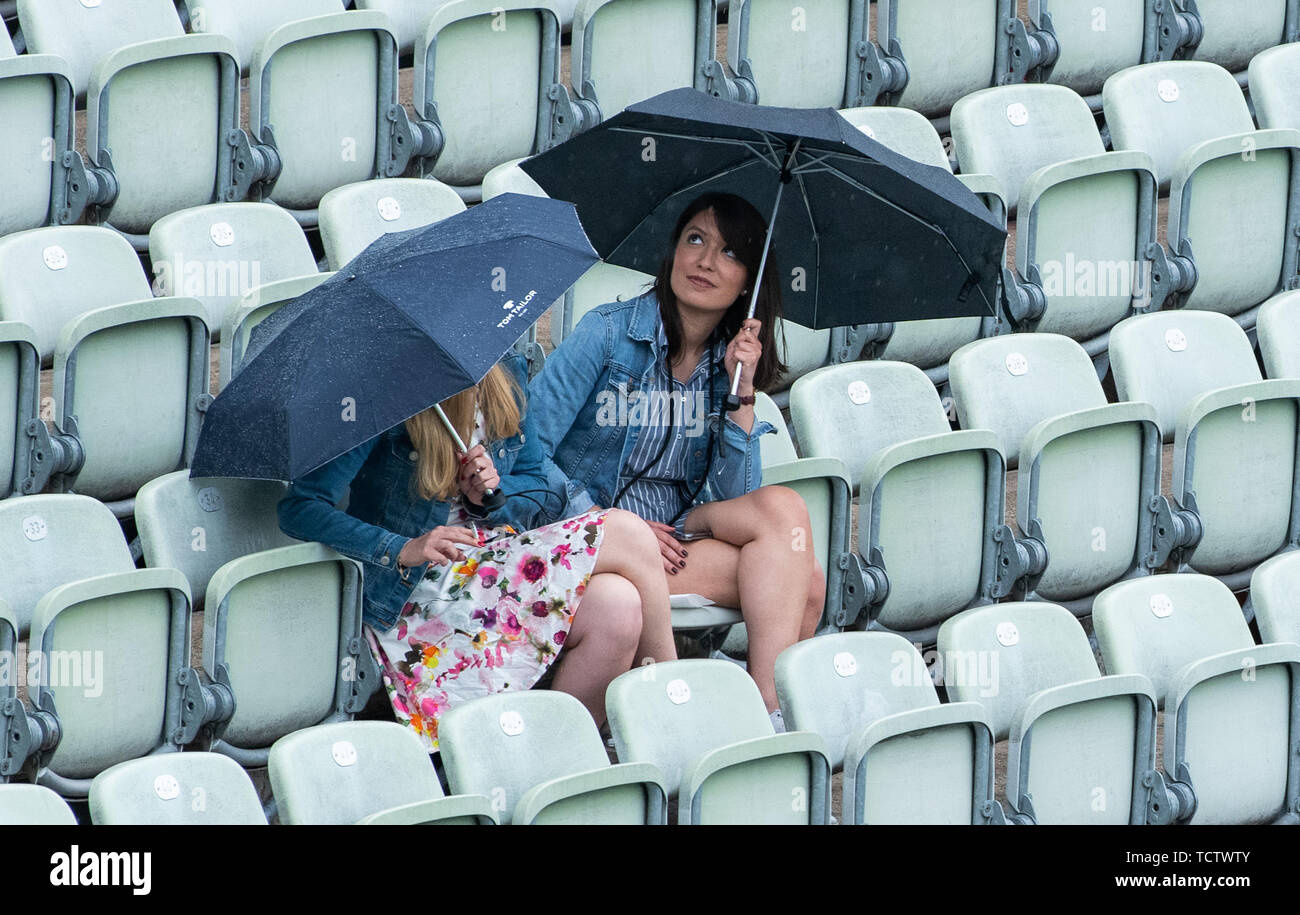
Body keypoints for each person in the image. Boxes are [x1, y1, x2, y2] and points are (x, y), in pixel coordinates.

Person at [528, 193, 824, 728]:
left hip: (676, 537)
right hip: (590, 537)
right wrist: (616, 524)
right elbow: (528, 451)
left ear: (749, 283)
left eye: (730, 253)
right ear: (672, 253)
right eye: (695, 240)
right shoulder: (608, 334)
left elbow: (736, 498)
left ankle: (765, 710)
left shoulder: (726, 366)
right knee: (805, 579)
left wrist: (742, 395)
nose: (707, 262)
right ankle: (766, 722)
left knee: (785, 515)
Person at [277, 353, 675, 751]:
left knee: (617, 607)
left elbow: (538, 483)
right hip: (415, 591)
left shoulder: (506, 372)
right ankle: (670, 703)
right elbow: (300, 508)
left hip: (493, 559)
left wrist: (485, 495)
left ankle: (553, 761)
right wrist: (402, 548)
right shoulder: (378, 390)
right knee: (628, 532)